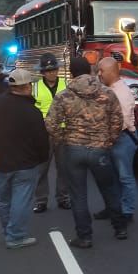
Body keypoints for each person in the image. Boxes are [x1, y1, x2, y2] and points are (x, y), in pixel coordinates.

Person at [45, 55, 125, 248]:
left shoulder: (63, 96)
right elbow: (117, 120)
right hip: (100, 150)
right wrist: (108, 140)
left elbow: (51, 124)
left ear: (71, 72)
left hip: (73, 150)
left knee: (78, 195)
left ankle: (85, 236)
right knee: (109, 189)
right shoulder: (107, 93)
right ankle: (119, 228)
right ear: (91, 70)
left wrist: (64, 138)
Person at [0, 67, 50, 249]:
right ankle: (16, 236)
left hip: (0, 161)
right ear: (28, 86)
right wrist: (42, 158)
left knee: (4, 199)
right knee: (21, 200)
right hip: (25, 164)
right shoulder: (32, 112)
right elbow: (41, 140)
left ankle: (8, 231)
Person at [95, 56, 138, 223]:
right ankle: (114, 207)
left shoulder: (122, 93)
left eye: (102, 71)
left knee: (125, 177)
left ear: (112, 72)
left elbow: (123, 121)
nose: (99, 74)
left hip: (122, 139)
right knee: (112, 177)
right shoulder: (109, 89)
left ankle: (127, 212)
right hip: (113, 138)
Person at [32, 53, 70, 213]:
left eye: (54, 69)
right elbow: (32, 110)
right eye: (47, 71)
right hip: (43, 133)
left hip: (63, 131)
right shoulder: (35, 87)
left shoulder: (67, 84)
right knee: (41, 169)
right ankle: (41, 201)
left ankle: (63, 198)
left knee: (64, 168)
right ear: (42, 72)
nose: (51, 73)